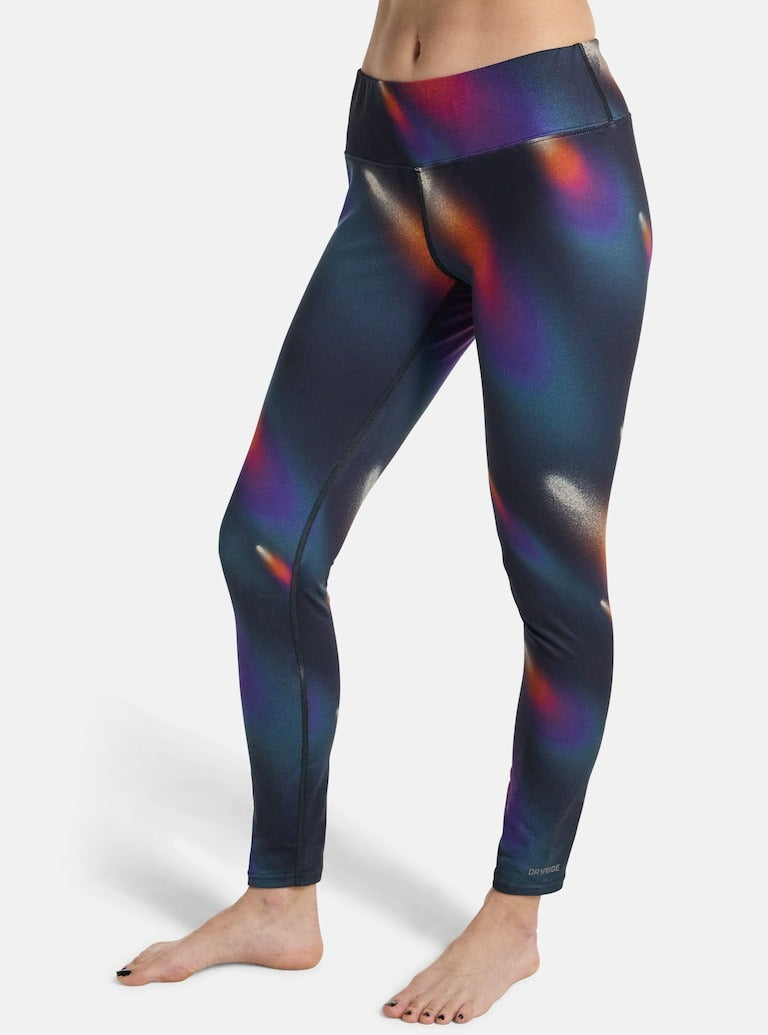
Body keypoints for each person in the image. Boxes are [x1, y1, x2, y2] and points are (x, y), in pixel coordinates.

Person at [116, 0, 653, 1023]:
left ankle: (516, 914)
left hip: (547, 165)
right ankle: (281, 899)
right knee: (264, 543)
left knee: (553, 579)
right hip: (388, 156)